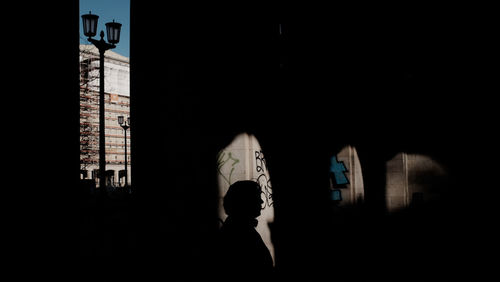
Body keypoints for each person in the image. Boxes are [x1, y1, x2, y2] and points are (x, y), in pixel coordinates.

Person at [218, 180, 274, 280]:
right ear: (244, 201)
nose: (261, 201)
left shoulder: (240, 228)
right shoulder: (239, 232)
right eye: (256, 197)